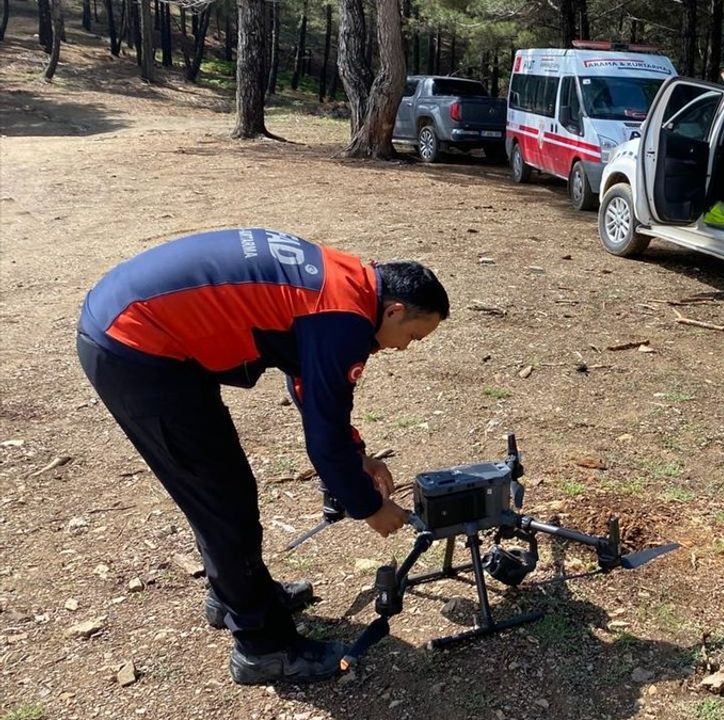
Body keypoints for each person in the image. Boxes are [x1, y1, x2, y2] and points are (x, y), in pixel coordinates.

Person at [75, 227, 449, 685]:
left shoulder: (349, 283)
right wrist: (369, 506)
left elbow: (309, 386)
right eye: (411, 335)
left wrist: (357, 458)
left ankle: (237, 595)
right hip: (137, 348)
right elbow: (323, 437)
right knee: (222, 501)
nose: (403, 348)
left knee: (224, 490)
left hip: (142, 324)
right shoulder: (344, 320)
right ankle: (262, 647)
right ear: (393, 310)